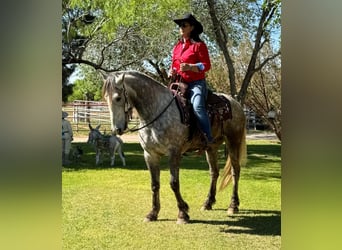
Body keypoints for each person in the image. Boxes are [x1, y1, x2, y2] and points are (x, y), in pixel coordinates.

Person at [169, 13, 214, 144]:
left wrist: (191, 67)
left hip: (196, 84)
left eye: (184, 25)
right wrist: (171, 71)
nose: (181, 27)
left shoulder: (199, 45)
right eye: (180, 25)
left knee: (197, 106)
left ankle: (207, 137)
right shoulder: (176, 47)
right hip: (178, 83)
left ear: (192, 27)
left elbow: (206, 65)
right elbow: (174, 65)